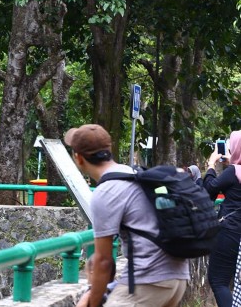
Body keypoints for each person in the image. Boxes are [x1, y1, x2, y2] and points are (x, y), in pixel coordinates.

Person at [65, 124, 189, 307]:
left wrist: (93, 301)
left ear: (79, 158)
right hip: (177, 279)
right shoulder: (135, 174)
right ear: (109, 150)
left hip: (148, 281)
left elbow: (103, 261)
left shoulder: (106, 191)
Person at [203, 130, 241, 307]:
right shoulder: (233, 171)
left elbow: (209, 190)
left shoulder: (233, 172)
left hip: (231, 231)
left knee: (219, 280)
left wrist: (211, 165)